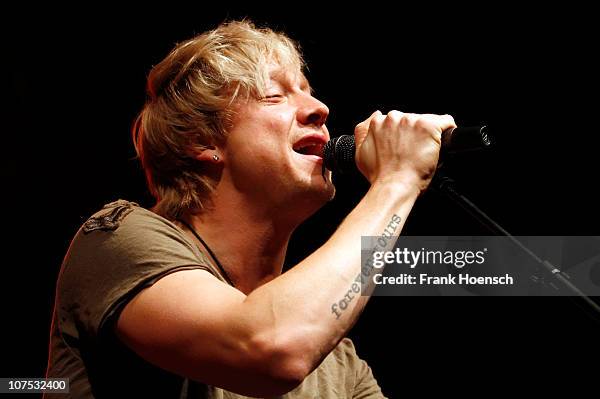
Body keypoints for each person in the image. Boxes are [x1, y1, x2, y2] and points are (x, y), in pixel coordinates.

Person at [45, 20, 455, 398]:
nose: (320, 109)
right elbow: (271, 349)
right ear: (201, 140)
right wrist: (397, 181)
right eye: (275, 95)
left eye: (308, 90)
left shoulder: (335, 363)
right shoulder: (117, 239)